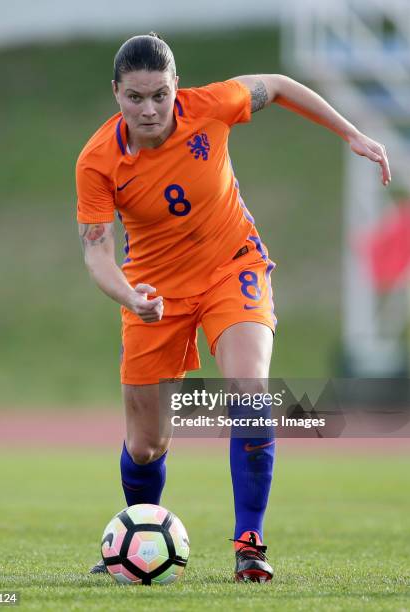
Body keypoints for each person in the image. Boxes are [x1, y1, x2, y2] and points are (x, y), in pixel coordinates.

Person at [76, 32, 391, 582]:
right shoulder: (98, 161)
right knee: (146, 447)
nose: (149, 109)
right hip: (151, 292)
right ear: (115, 94)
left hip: (232, 266)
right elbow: (98, 251)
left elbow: (282, 85)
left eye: (160, 95)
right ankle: (135, 534)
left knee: (250, 394)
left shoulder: (213, 105)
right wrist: (130, 295)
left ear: (177, 88)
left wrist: (351, 133)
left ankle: (250, 544)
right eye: (134, 97)